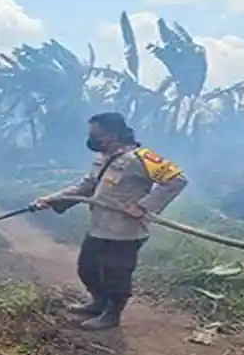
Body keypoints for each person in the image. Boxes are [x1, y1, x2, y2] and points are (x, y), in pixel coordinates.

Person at [31, 113, 188, 330]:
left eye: (96, 135)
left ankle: (111, 315)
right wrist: (51, 199)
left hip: (126, 231)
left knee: (116, 275)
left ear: (113, 135)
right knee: (87, 269)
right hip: (100, 226)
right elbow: (85, 188)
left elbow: (177, 180)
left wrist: (143, 206)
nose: (92, 139)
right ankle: (98, 303)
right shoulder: (103, 158)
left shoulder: (142, 157)